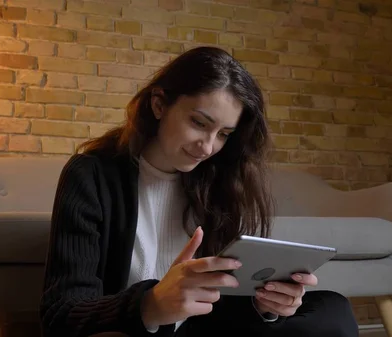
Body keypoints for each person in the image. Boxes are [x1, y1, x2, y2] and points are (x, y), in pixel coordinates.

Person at [39, 46, 359, 337]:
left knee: (333, 309)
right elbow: (62, 313)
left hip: (200, 329)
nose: (207, 147)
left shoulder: (219, 182)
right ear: (159, 104)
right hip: (133, 331)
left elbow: (221, 305)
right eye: (199, 123)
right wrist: (151, 304)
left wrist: (267, 307)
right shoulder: (91, 175)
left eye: (223, 134)